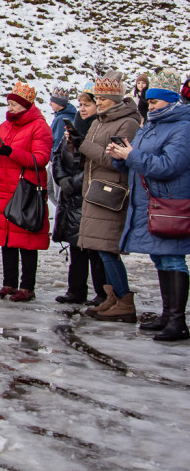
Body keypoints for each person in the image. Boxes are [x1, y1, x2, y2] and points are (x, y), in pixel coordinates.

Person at [109, 69, 190, 341]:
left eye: (154, 101)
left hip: (171, 204)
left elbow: (169, 165)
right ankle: (168, 315)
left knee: (172, 258)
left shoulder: (183, 127)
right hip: (152, 203)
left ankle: (177, 321)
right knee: (161, 258)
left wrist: (132, 155)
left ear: (169, 100)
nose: (149, 105)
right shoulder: (152, 124)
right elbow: (140, 159)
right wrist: (121, 156)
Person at [76, 72, 143, 322]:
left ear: (115, 98)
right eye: (98, 97)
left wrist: (84, 146)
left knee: (107, 249)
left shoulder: (128, 123)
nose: (99, 101)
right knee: (100, 248)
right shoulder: (100, 121)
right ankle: (112, 297)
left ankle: (124, 298)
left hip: (111, 192)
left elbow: (117, 161)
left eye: (103, 98)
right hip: (94, 190)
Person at [0, 81, 52, 302]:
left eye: (14, 104)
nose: (10, 108)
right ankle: (9, 283)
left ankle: (27, 286)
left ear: (26, 106)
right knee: (6, 239)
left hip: (25, 189)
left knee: (26, 239)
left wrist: (11, 151)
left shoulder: (40, 127)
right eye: (9, 103)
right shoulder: (5, 126)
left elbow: (40, 159)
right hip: (4, 187)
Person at [53, 88, 107, 305]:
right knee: (75, 246)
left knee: (93, 248)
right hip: (71, 196)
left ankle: (102, 292)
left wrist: (73, 183)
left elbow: (95, 165)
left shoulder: (98, 130)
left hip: (89, 195)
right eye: (81, 104)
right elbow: (58, 155)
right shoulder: (72, 126)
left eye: (87, 105)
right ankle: (75, 290)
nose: (82, 109)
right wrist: (62, 179)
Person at [48, 86, 78, 154]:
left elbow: (58, 141)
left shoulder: (61, 119)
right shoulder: (63, 116)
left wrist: (53, 158)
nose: (50, 104)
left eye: (52, 101)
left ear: (59, 103)